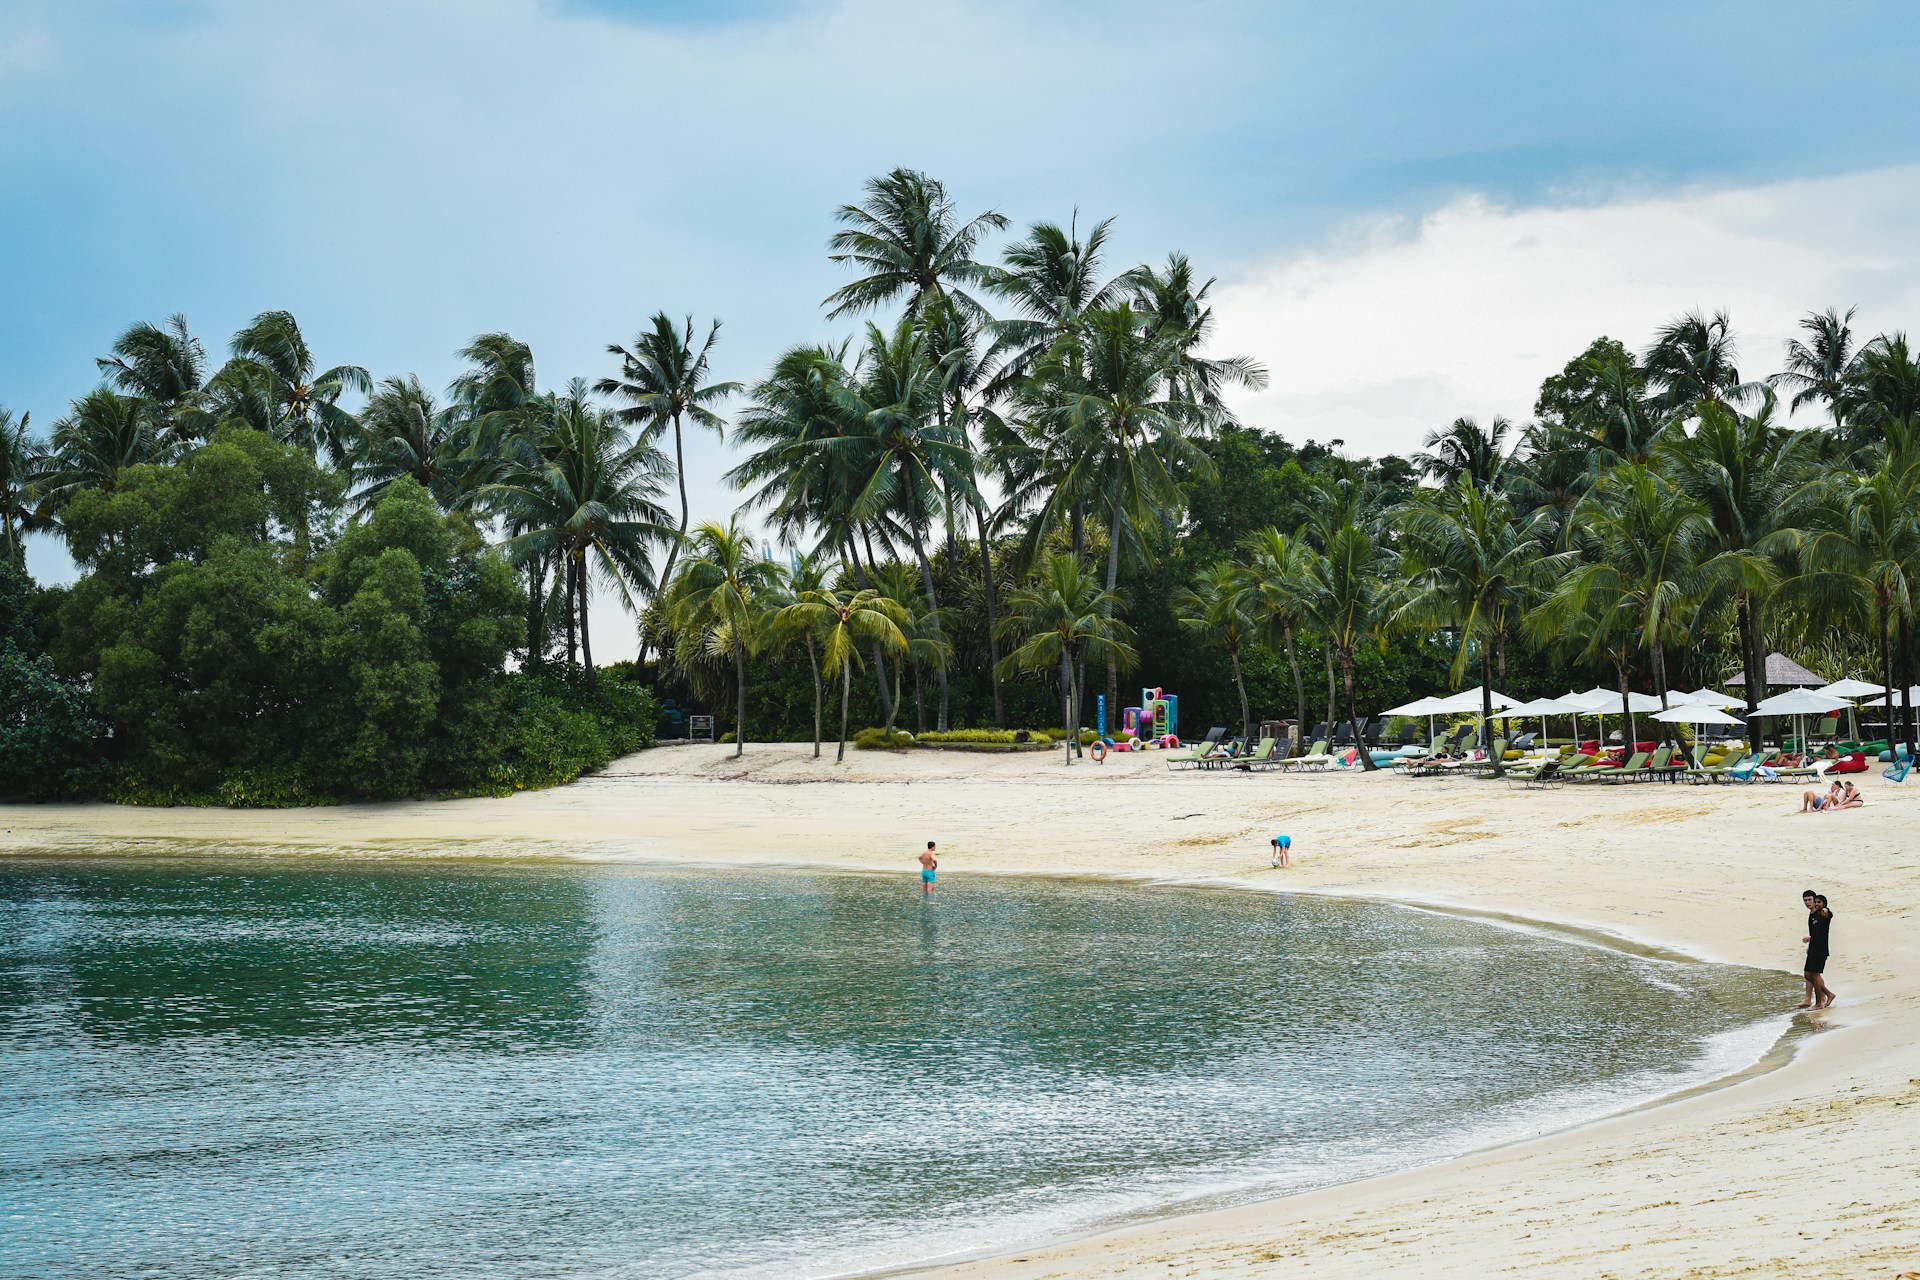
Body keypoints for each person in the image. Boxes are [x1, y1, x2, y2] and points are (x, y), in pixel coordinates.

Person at [1799, 890, 1835, 1009]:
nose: (1807, 902)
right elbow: (1815, 933)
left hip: (1820, 950)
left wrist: (1826, 910)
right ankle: (1829, 994)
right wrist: (1810, 943)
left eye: (1810, 900)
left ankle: (1819, 1003)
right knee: (1808, 975)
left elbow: (1827, 914)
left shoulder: (1822, 913)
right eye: (1805, 900)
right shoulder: (1812, 915)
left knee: (1815, 975)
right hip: (1813, 949)